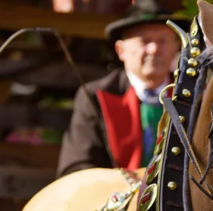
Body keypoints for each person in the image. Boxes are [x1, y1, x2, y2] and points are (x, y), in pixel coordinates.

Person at [57, 0, 189, 177]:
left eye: (163, 40)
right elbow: (77, 168)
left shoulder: (192, 96)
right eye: (145, 40)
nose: (154, 49)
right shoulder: (95, 97)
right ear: (121, 50)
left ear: (176, 47)